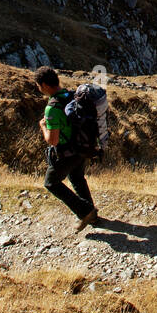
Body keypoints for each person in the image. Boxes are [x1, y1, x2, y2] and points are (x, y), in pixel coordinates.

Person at [35, 66, 99, 231]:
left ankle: (85, 211)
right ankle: (92, 216)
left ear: (44, 85)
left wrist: (43, 126)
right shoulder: (72, 96)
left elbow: (53, 140)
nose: (39, 89)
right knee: (77, 178)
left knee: (51, 183)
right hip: (82, 147)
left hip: (66, 152)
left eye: (38, 85)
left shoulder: (52, 108)